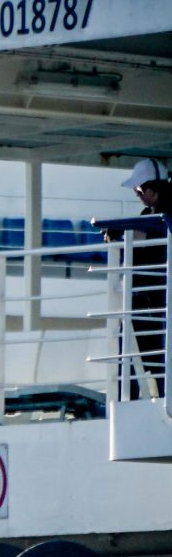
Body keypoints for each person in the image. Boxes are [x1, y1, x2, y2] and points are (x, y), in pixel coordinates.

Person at [112, 157, 172, 397]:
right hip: (144, 299)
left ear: (153, 189)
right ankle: (129, 400)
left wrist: (135, 237)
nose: (137, 195)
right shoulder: (148, 213)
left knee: (160, 358)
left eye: (139, 190)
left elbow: (158, 239)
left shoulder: (166, 213)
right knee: (132, 355)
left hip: (161, 301)